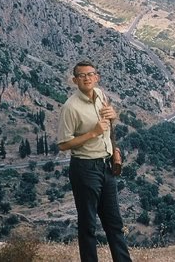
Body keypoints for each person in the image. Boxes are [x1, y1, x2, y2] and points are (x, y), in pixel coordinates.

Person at [56, 60, 133, 262]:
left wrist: (113, 122)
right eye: (82, 75)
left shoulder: (100, 95)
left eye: (90, 74)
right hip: (84, 168)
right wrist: (92, 133)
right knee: (88, 225)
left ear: (96, 77)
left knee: (114, 223)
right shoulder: (70, 107)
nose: (87, 78)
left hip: (105, 166)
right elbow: (63, 144)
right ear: (75, 80)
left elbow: (107, 126)